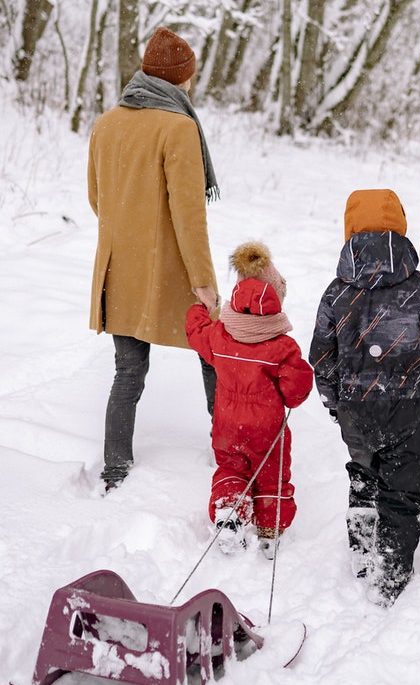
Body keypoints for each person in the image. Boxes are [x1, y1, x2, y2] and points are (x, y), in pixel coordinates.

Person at [309, 189, 420, 606]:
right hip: (408, 413)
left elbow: (321, 358)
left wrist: (332, 402)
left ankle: (362, 552)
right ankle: (390, 572)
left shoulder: (337, 294)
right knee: (402, 492)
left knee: (364, 476)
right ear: (400, 226)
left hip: (355, 412)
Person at [88, 27, 221, 492]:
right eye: (191, 76)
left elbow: (96, 199)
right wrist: (204, 282)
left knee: (128, 371)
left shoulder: (106, 124)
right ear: (181, 79)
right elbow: (190, 216)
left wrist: (131, 228)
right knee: (213, 354)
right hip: (170, 271)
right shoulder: (179, 127)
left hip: (119, 269)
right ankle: (228, 451)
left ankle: (115, 468)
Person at [186, 242, 313, 559]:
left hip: (227, 425)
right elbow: (298, 386)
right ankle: (270, 532)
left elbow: (196, 332)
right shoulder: (281, 347)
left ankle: (230, 512)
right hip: (267, 429)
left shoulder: (220, 335)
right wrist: (286, 395)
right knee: (272, 474)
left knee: (231, 468)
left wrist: (199, 309)